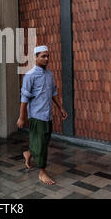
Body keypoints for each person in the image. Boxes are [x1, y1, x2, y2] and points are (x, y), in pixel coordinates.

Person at [16, 45, 68, 185]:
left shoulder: (49, 74)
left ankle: (28, 153)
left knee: (43, 141)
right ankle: (42, 173)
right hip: (36, 116)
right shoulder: (30, 75)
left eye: (48, 56)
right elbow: (24, 98)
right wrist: (22, 117)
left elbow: (53, 93)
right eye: (43, 56)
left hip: (47, 115)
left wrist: (61, 108)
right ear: (36, 57)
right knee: (42, 146)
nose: (46, 59)